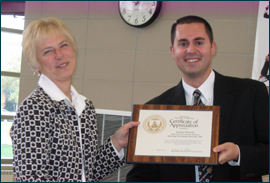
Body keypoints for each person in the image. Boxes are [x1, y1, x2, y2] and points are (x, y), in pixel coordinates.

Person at [126, 15, 269, 182]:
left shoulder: (251, 93)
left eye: (199, 42)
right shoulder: (154, 109)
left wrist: (239, 153)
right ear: (173, 51)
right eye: (183, 43)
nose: (191, 50)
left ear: (212, 48)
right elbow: (141, 176)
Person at [10, 17, 139, 182]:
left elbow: (88, 173)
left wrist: (116, 143)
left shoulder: (85, 107)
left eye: (63, 45)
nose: (60, 55)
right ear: (36, 64)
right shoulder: (34, 108)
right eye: (48, 51)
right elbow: (30, 178)